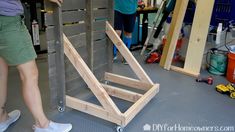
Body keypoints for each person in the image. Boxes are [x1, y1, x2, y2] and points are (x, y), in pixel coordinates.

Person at [0, 0, 72, 132]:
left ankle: (1, 118)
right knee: (29, 74)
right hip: (7, 20)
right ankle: (42, 125)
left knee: (1, 72)